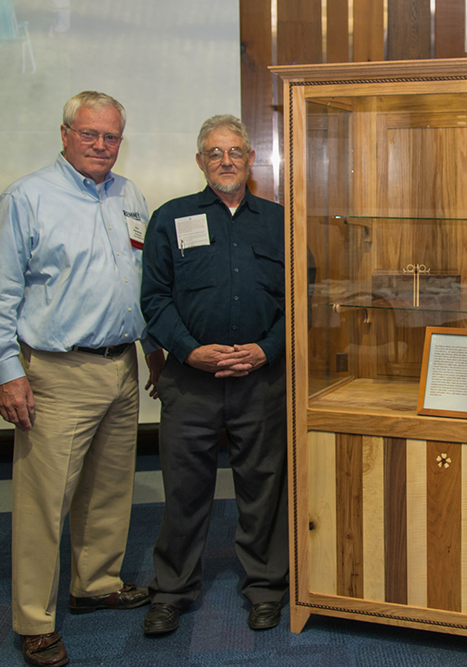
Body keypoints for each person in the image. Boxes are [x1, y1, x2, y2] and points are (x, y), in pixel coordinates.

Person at [0, 91, 164, 667]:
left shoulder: (129, 195)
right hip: (57, 372)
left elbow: (139, 281)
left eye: (111, 136)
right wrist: (7, 372)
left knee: (109, 487)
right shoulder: (27, 197)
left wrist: (151, 350)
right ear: (64, 134)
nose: (101, 145)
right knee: (43, 502)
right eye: (89, 134)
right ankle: (34, 620)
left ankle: (96, 584)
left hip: (121, 365)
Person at [140, 114, 313, 635]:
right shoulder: (171, 218)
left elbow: (302, 298)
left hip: (261, 380)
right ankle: (171, 591)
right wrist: (190, 351)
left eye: (235, 151)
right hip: (190, 382)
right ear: (200, 161)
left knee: (263, 489)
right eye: (214, 152)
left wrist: (267, 350)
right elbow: (155, 298)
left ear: (251, 159)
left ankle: (266, 588)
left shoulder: (281, 221)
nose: (225, 160)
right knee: (184, 491)